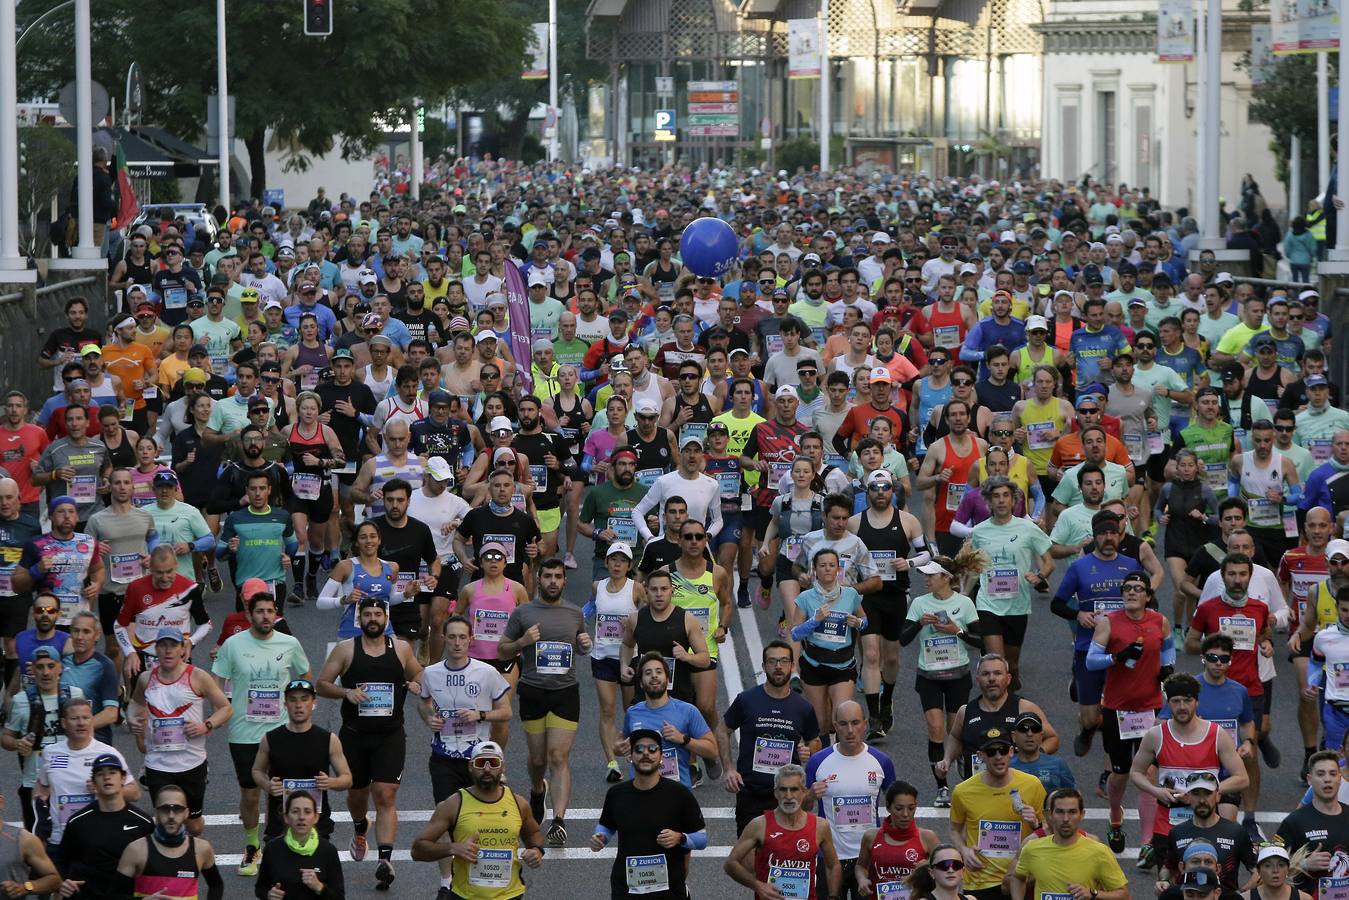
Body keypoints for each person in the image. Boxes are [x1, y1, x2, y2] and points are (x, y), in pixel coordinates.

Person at [315, 596, 423, 890]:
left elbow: (420, 673)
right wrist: (346, 693)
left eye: (378, 614)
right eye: (368, 615)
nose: (373, 619)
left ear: (386, 618)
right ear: (359, 619)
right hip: (354, 735)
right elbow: (321, 684)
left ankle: (385, 860)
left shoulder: (400, 648)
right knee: (358, 796)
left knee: (385, 794)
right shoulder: (346, 650)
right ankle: (361, 826)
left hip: (390, 735)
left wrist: (416, 683)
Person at [211, 586, 311, 876]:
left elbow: (305, 676)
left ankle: (277, 844)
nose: (266, 616)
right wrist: (223, 709)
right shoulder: (233, 644)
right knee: (250, 794)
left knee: (278, 792)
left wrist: (300, 706)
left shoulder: (289, 643)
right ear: (249, 614)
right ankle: (252, 845)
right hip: (243, 732)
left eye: (270, 611)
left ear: (275, 615)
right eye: (260, 611)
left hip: (281, 731)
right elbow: (217, 681)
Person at [498, 558, 590, 847]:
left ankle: (559, 820)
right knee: (538, 760)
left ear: (564, 580)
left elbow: (582, 645)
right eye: (548, 576)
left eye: (558, 576)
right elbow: (502, 651)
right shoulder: (523, 612)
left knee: (558, 757)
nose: (553, 581)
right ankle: (538, 791)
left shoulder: (575, 613)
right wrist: (522, 642)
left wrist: (585, 646)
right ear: (539, 579)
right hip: (533, 691)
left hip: (565, 693)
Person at [1087, 571, 1175, 853]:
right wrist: (1116, 657)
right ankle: (1115, 816)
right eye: (1127, 588)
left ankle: (1147, 841)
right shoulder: (1108, 623)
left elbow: (1170, 647)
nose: (1132, 592)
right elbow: (1091, 662)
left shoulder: (1159, 621)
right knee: (1121, 773)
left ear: (1148, 595)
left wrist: (1167, 666)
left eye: (1138, 588)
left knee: (1149, 774)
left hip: (1151, 708)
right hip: (1118, 710)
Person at [126, 628, 233, 836]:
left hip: (191, 763)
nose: (168, 651)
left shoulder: (198, 676)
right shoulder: (146, 679)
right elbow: (135, 703)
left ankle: (191, 855)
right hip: (157, 764)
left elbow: (226, 708)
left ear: (182, 649)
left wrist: (206, 725)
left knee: (193, 825)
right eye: (163, 646)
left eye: (173, 646)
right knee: (165, 821)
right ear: (155, 649)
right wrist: (132, 719)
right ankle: (171, 863)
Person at [410, 739, 545, 900]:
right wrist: (453, 848)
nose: (487, 769)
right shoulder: (453, 804)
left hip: (510, 896)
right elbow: (417, 850)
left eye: (493, 763)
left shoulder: (519, 804)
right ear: (470, 767)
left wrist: (537, 851)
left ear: (503, 767)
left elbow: (533, 834)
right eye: (481, 763)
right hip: (465, 896)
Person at [590, 725, 708, 900]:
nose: (646, 753)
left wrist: (679, 838)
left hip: (669, 890)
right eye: (639, 749)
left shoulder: (679, 794)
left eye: (652, 749)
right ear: (631, 757)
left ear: (661, 757)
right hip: (627, 889)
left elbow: (702, 839)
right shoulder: (617, 794)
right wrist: (600, 837)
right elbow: (606, 826)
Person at [717, 641, 822, 834]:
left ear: (792, 665)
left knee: (785, 854)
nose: (778, 667)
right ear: (764, 666)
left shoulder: (803, 707)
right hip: (750, 792)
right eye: (772, 661)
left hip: (788, 795)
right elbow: (722, 730)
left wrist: (810, 750)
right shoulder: (746, 700)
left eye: (783, 661)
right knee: (749, 857)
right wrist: (728, 769)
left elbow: (815, 741)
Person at [805, 700, 896, 896]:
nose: (850, 730)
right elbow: (801, 808)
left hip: (867, 858)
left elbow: (898, 806)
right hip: (829, 857)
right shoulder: (818, 762)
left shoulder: (882, 762)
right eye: (844, 724)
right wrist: (810, 795)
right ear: (835, 726)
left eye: (855, 723)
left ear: (864, 724)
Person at [948, 726, 1046, 900]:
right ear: (980, 756)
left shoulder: (1033, 785)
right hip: (980, 881)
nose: (998, 756)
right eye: (991, 752)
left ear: (1010, 752)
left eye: (1002, 750)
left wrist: (1035, 824)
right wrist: (963, 851)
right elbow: (955, 829)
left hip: (1022, 879)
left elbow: (1048, 832)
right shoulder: (963, 791)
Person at [251, 677, 353, 843]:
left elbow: (347, 778)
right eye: (293, 700)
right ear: (285, 704)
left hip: (317, 825)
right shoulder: (271, 739)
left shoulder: (328, 740)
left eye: (304, 699)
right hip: (280, 824)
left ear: (314, 703)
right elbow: (257, 770)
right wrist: (267, 785)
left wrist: (331, 783)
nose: (298, 705)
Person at [723, 763, 843, 900]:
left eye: (794, 789)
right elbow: (730, 864)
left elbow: (833, 865)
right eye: (783, 789)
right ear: (775, 793)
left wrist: (833, 896)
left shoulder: (820, 826)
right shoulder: (759, 825)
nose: (788, 795)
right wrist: (757, 886)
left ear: (804, 792)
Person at [57, 753, 153, 900]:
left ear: (123, 778)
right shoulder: (77, 822)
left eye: (112, 773)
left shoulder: (143, 822)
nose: (107, 777)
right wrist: (63, 883)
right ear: (94, 783)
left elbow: (153, 864)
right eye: (100, 774)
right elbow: (62, 861)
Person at [113, 784, 223, 900]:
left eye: (177, 809)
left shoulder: (201, 849)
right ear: (156, 812)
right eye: (165, 809)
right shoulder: (136, 850)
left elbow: (216, 885)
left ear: (186, 813)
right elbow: (114, 895)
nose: (171, 815)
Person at [1274, 750, 1349, 899]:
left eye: (1333, 774)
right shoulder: (1294, 822)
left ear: (1340, 779)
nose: (1327, 779)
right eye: (1320, 774)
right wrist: (1304, 864)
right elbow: (1271, 868)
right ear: (1309, 779)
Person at [855, 781, 940, 897]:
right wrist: (862, 880)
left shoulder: (927, 837)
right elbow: (861, 866)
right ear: (888, 807)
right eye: (899, 808)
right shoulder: (871, 837)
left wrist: (925, 866)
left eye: (911, 808)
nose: (905, 814)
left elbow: (943, 868)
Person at [254, 791, 345, 900]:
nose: (301, 817)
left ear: (316, 817)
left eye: (307, 812)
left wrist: (320, 888)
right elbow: (260, 888)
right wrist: (268, 895)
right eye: (295, 811)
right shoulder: (272, 849)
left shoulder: (328, 851)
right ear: (286, 817)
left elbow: (339, 896)